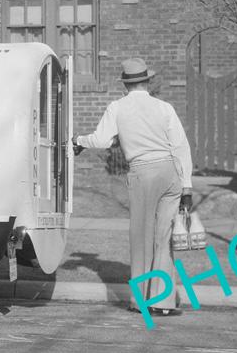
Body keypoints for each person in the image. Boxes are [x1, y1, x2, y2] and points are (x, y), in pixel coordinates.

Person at [72, 58, 193, 316]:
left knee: (141, 237)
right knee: (164, 238)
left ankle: (140, 301)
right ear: (147, 81)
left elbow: (102, 140)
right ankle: (163, 301)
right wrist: (187, 187)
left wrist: (78, 140)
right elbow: (181, 146)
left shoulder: (118, 107)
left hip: (143, 172)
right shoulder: (164, 108)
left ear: (125, 85)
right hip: (170, 171)